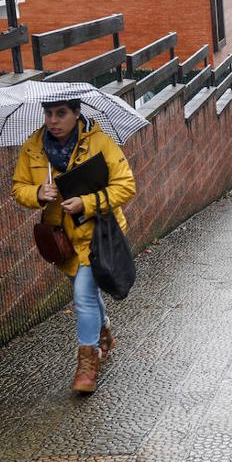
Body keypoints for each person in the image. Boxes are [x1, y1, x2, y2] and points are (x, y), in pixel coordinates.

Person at [12, 96, 136, 395]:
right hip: (62, 239)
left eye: (61, 113)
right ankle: (103, 328)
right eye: (49, 114)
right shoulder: (33, 148)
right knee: (87, 293)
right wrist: (38, 193)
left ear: (77, 113)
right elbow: (18, 187)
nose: (53, 121)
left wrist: (87, 202)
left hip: (97, 233)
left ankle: (87, 364)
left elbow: (126, 186)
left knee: (82, 295)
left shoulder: (100, 142)